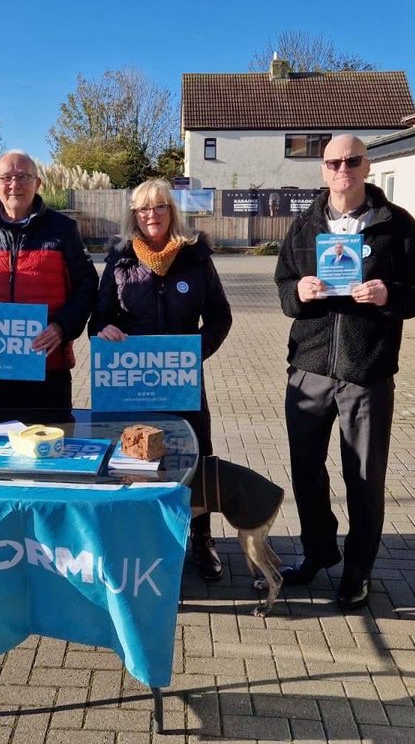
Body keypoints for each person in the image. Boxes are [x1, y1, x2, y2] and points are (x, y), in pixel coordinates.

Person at [275, 134, 415, 610]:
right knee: (306, 472)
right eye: (333, 162)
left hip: (366, 372)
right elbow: (283, 282)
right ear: (323, 170)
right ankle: (316, 554)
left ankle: (356, 572)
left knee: (364, 477)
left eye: (351, 160)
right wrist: (299, 293)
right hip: (308, 368)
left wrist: (391, 296)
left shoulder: (396, 225)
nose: (342, 169)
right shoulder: (306, 224)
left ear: (367, 166)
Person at [89, 179, 233, 581]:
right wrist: (103, 329)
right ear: (133, 215)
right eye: (142, 209)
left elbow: (221, 317)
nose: (151, 215)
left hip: (182, 380)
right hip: (131, 384)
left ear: (172, 210)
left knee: (196, 461)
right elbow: (99, 317)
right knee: (132, 462)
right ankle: (140, 543)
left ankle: (201, 541)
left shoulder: (196, 257)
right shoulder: (119, 259)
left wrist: (194, 353)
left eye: (159, 207)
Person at [0, 150, 98, 412]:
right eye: (6, 177)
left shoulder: (63, 229)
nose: (14, 185)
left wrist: (62, 327)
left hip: (50, 364)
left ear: (37, 183)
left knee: (54, 446)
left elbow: (87, 286)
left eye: (23, 177)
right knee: (1, 446)